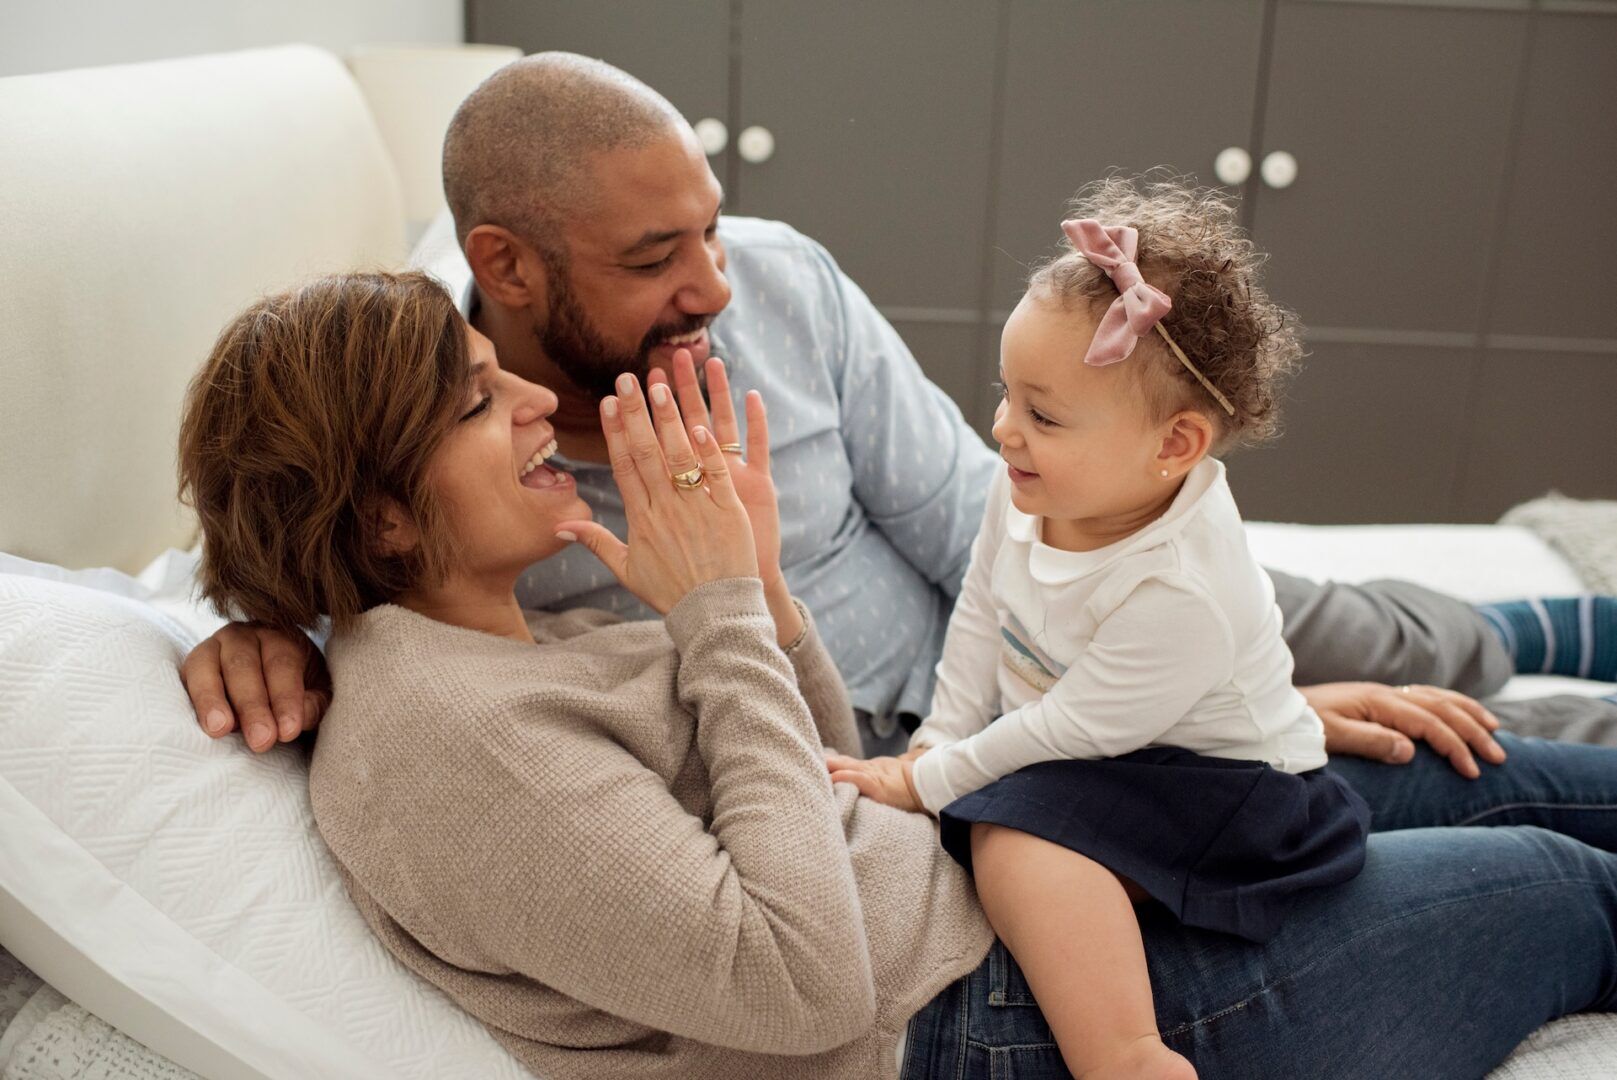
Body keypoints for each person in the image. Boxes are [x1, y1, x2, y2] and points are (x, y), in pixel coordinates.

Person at [176, 270, 1617, 1080]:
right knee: (1561, 880)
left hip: (1029, 852)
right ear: (372, 514)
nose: (537, 401)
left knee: (1486, 770)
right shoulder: (441, 744)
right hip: (988, 1020)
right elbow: (797, 986)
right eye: (478, 400)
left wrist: (756, 589)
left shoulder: (503, 631)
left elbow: (809, 773)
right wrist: (724, 616)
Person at [177, 53, 1617, 765]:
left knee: (1365, 623)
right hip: (915, 756)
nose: (716, 289)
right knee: (1441, 738)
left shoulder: (783, 288)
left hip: (1017, 628)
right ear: (504, 265)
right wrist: (238, 626)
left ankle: (1570, 617)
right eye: (652, 261)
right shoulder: (439, 450)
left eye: (711, 232)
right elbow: (285, 508)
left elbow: (966, 510)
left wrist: (1116, 660)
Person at [833, 181, 1371, 1080]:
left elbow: (1067, 730)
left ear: (1172, 446)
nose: (1002, 431)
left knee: (1011, 837)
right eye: (1005, 395)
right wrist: (935, 739)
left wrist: (925, 782)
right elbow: (978, 622)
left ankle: (1124, 1056)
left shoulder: (1179, 588)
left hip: (1235, 796)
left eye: (1042, 416)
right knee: (992, 809)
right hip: (1113, 756)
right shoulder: (1027, 492)